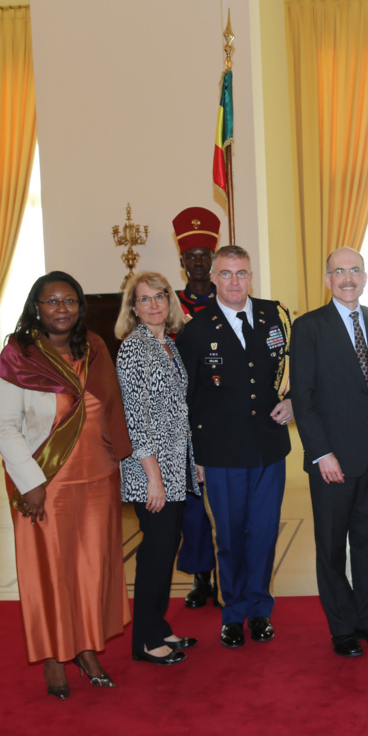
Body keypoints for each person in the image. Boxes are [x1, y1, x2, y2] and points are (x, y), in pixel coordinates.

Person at [0, 271, 132, 700]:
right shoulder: (18, 356)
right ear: (37, 306)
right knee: (50, 573)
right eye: (52, 301)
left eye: (70, 301)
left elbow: (112, 408)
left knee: (93, 568)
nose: (62, 309)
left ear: (80, 307)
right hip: (47, 482)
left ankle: (86, 649)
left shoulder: (95, 348)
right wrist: (30, 482)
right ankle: (53, 657)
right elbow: (3, 426)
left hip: (98, 479)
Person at [176, 245, 293, 649]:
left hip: (267, 449)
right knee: (228, 535)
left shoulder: (274, 316)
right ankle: (233, 612)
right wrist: (197, 457)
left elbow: (291, 367)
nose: (234, 282)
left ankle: (260, 610)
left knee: (262, 533)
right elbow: (188, 397)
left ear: (251, 276)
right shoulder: (196, 329)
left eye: (241, 273)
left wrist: (291, 399)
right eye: (225, 274)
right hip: (221, 453)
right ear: (213, 279)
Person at [290, 247, 368, 657]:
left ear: (366, 277)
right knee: (333, 546)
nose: (347, 278)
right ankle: (342, 627)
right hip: (332, 460)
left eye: (355, 270)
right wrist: (321, 453)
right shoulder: (309, 328)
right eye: (339, 271)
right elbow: (304, 395)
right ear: (327, 279)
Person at [115, 271, 200, 666]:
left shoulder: (168, 345)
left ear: (170, 302)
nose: (154, 305)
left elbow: (180, 412)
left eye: (160, 296)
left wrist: (191, 461)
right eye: (144, 299)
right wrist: (155, 478)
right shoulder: (133, 349)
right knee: (155, 552)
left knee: (167, 549)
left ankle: (159, 626)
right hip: (151, 472)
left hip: (174, 465)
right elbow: (136, 418)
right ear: (133, 308)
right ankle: (145, 640)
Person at [172, 206, 220, 609]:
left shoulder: (231, 302)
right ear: (183, 261)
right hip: (185, 424)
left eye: (206, 254)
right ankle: (202, 577)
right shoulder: (168, 308)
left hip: (224, 420)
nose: (199, 261)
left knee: (227, 502)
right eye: (192, 256)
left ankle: (229, 573)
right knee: (193, 505)